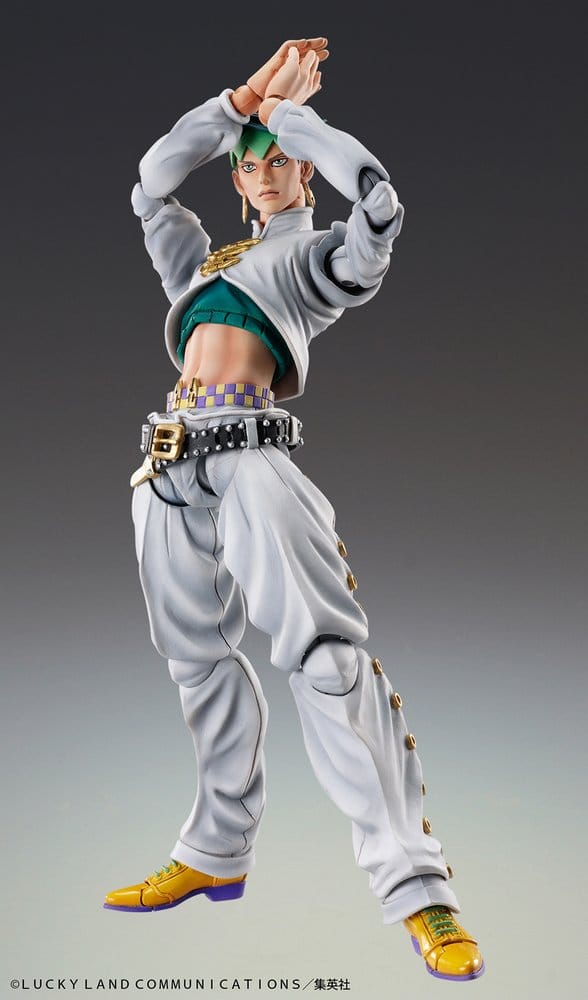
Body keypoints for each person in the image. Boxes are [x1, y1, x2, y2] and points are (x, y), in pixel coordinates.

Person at [104, 38, 484, 982]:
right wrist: (239, 102)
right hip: (167, 462)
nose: (266, 172)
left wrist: (290, 117)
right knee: (196, 661)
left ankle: (420, 891)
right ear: (237, 180)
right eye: (252, 165)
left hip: (253, 459)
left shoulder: (312, 258)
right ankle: (215, 852)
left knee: (325, 659)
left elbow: (381, 209)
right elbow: (151, 185)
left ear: (304, 169)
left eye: (281, 161)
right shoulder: (202, 266)